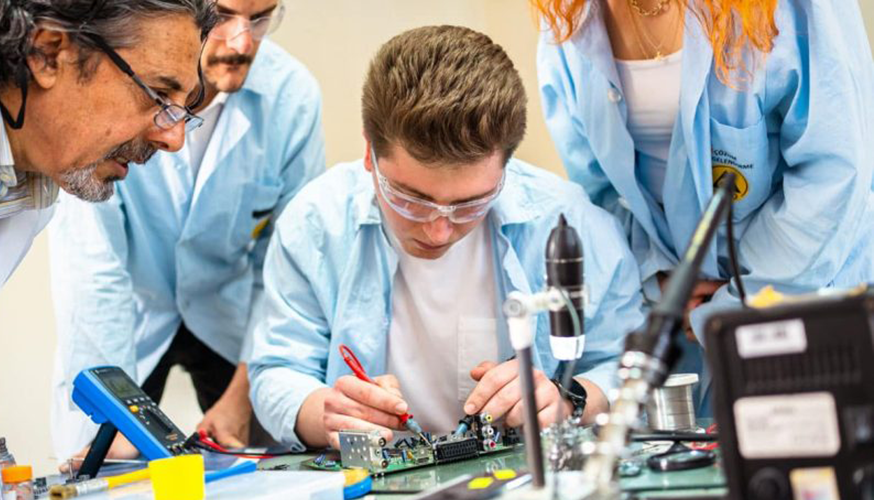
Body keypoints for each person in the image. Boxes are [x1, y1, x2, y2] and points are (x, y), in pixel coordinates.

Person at [248, 25, 646, 450]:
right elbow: (277, 368)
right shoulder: (315, 222)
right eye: (411, 200)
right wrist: (321, 412)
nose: (438, 230)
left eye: (469, 204)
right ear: (369, 153)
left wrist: (568, 400)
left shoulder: (571, 225)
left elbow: (630, 367)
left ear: (505, 169)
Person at [535, 0, 874, 412]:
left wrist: (737, 296)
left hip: (806, 298)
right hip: (680, 320)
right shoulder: (567, 22)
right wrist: (655, 277)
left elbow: (833, 175)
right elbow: (598, 191)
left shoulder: (801, 9)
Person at [48, 0, 324, 460]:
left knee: (262, 467)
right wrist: (114, 417)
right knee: (106, 464)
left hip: (232, 315)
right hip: (129, 313)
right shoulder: (115, 83)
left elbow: (284, 264)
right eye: (220, 15)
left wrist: (243, 394)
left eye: (260, 19)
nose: (241, 43)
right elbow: (95, 268)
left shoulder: (292, 97)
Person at [0, 0, 216, 431]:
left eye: (184, 107)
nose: (174, 138)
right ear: (47, 53)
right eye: (159, 94)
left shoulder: (27, 175)